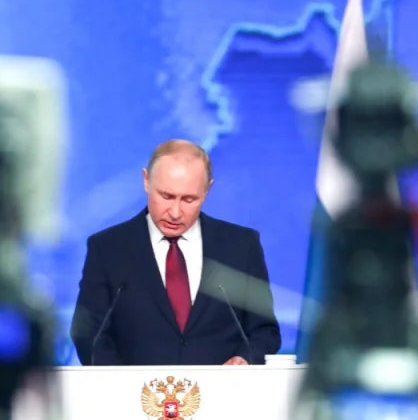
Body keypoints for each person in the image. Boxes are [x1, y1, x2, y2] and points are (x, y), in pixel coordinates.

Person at [70, 139, 281, 365]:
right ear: (146, 181)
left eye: (189, 199)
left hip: (223, 386)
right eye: (166, 196)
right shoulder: (108, 248)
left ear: (207, 190)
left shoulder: (240, 245)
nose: (175, 212)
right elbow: (88, 334)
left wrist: (246, 358)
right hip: (135, 388)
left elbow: (264, 331)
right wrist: (120, 380)